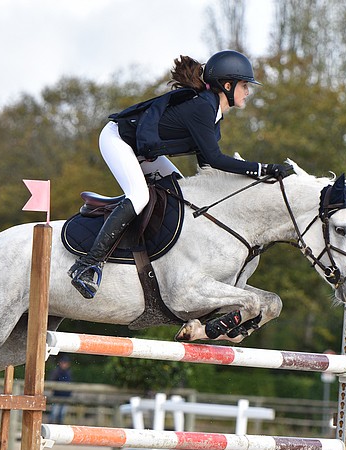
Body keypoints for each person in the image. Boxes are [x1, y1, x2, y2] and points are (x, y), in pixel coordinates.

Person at [68, 50, 293, 298]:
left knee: (180, 192)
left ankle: (158, 256)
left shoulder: (212, 112)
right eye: (244, 85)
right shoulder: (202, 109)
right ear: (227, 86)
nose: (248, 91)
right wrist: (262, 169)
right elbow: (216, 160)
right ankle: (88, 265)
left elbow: (208, 164)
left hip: (143, 149)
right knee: (139, 196)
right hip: (117, 139)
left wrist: (254, 176)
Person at [46, 355, 73, 424]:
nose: (64, 364)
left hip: (65, 396)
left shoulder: (68, 372)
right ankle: (51, 425)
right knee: (54, 413)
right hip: (57, 395)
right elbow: (51, 382)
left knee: (62, 414)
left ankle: (58, 427)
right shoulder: (57, 372)